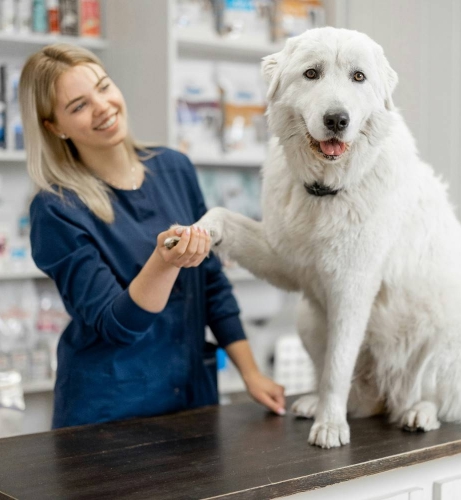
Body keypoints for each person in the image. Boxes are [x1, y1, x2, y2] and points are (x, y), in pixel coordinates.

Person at [19, 44, 286, 429]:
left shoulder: (174, 168)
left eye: (104, 87)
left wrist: (250, 373)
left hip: (192, 398)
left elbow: (212, 285)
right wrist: (164, 263)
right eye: (78, 106)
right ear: (54, 127)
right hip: (109, 415)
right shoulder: (56, 208)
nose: (103, 107)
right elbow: (116, 324)